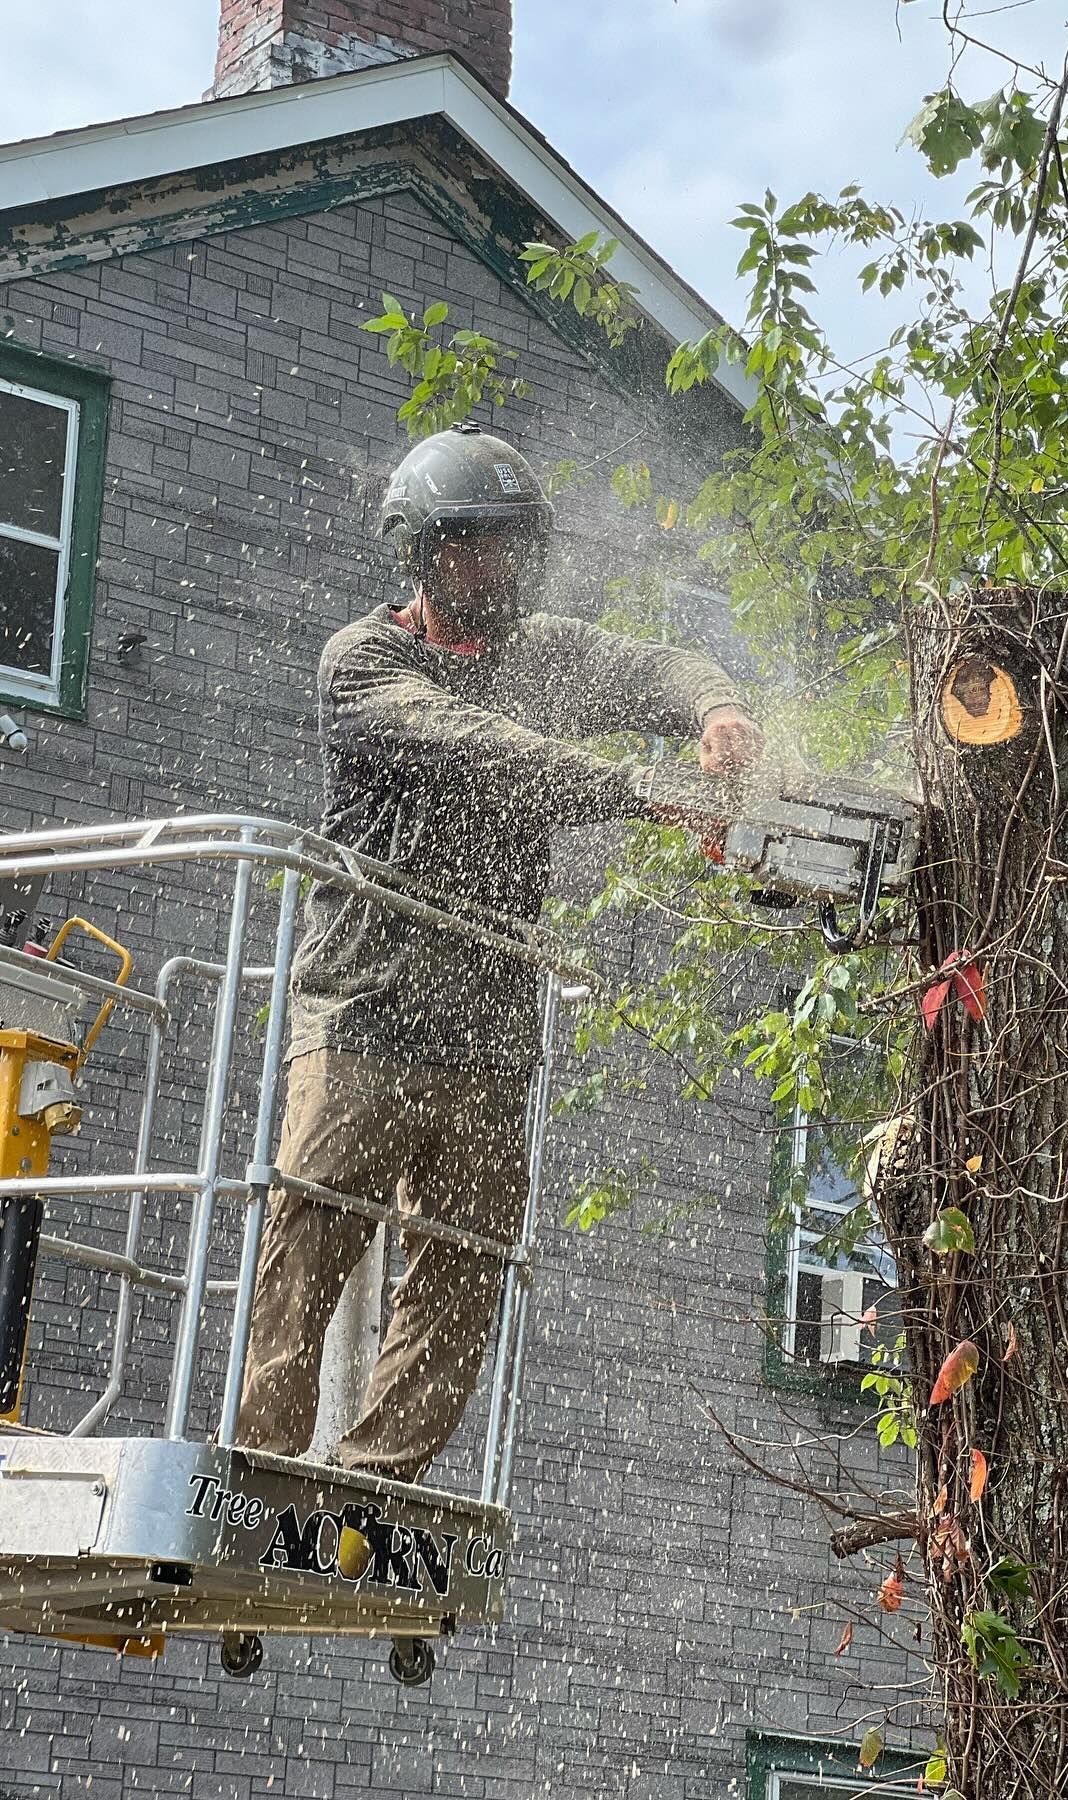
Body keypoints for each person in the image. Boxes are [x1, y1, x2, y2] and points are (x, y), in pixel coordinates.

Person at [236, 421, 762, 1486]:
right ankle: (258, 1467)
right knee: (309, 1244)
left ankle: (378, 1481)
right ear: (422, 554)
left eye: (511, 547)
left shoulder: (546, 654)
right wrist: (639, 789)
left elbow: (660, 662)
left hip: (487, 1022)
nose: (495, 568)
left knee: (465, 1268)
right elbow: (489, 757)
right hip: (365, 1014)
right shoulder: (365, 664)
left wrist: (717, 710)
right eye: (473, 548)